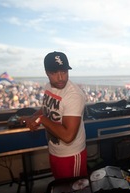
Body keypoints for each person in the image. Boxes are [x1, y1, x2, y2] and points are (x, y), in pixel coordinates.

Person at [23, 51, 88, 179]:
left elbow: (68, 136)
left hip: (71, 155)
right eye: (54, 73)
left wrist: (41, 119)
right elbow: (47, 108)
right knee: (61, 190)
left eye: (64, 72)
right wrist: (32, 117)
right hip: (55, 150)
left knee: (75, 192)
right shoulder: (49, 86)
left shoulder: (73, 95)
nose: (60, 78)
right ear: (46, 72)